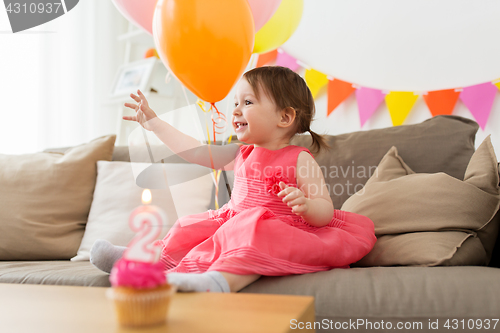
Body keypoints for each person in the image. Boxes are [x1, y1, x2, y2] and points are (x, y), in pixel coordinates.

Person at [90, 66, 376, 293]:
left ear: (285, 117)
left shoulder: (300, 158)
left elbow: (325, 210)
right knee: (186, 231)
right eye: (235, 102)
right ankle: (140, 260)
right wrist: (155, 123)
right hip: (234, 221)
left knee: (255, 237)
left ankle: (216, 283)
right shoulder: (241, 152)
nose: (235, 110)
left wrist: (306, 205)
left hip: (278, 231)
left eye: (248, 102)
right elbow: (195, 151)